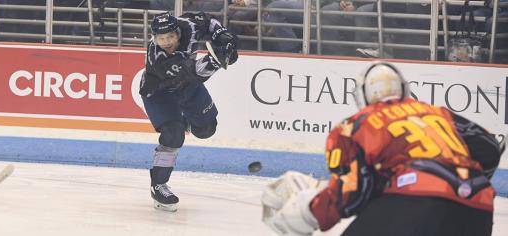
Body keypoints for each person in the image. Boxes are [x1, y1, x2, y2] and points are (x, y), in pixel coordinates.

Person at [261, 61, 503, 236]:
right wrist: (458, 184)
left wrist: (311, 209)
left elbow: (355, 191)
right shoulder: (438, 113)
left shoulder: (354, 126)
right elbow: (491, 148)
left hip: (414, 203)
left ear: (363, 96)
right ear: (404, 89)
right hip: (478, 207)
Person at [139, 11, 238, 212]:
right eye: (161, 39)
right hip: (159, 94)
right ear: (154, 38)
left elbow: (208, 21)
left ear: (178, 33)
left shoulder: (188, 26)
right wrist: (219, 58)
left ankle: (184, 117)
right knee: (174, 135)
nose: (166, 42)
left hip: (188, 87)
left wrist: (222, 36)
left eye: (170, 37)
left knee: (207, 130)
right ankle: (158, 184)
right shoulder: (157, 57)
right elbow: (193, 71)